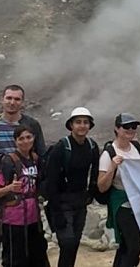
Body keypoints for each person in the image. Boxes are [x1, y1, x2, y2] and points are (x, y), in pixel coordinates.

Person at [0, 85, 46, 267]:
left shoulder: (31, 125)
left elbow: (41, 154)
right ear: (2, 99)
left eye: (17, 99)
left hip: (26, 187)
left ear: (23, 102)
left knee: (31, 237)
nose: (12, 102)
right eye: (9, 98)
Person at [43, 106, 100, 267]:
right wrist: (56, 210)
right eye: (78, 122)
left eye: (85, 122)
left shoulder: (92, 146)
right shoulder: (61, 148)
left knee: (74, 243)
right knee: (67, 243)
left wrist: (92, 192)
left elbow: (95, 170)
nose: (82, 125)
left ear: (90, 125)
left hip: (80, 201)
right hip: (61, 202)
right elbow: (51, 180)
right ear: (71, 125)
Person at [0, 125, 48, 267]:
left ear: (34, 138)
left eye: (28, 137)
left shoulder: (36, 159)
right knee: (14, 259)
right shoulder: (8, 162)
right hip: (13, 219)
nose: (25, 141)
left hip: (33, 218)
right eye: (21, 138)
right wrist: (9, 188)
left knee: (38, 256)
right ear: (15, 141)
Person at [98, 113, 140, 267]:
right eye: (126, 126)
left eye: (134, 126)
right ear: (116, 129)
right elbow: (101, 186)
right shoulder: (108, 153)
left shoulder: (137, 148)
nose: (131, 129)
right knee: (134, 246)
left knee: (126, 246)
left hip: (137, 202)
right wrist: (112, 167)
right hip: (121, 203)